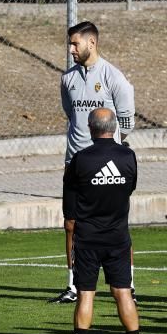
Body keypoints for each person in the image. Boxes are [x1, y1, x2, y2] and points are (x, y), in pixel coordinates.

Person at [54, 21, 136, 305]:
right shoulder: (68, 79)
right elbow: (71, 113)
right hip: (75, 162)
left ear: (92, 43)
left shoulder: (114, 77)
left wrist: (110, 151)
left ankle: (129, 283)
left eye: (75, 43)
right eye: (70, 43)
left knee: (117, 223)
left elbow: (126, 121)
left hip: (106, 163)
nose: (71, 49)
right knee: (71, 224)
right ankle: (74, 285)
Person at [57, 108, 143, 334]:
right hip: (118, 236)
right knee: (123, 292)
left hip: (88, 238)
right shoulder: (128, 156)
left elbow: (69, 205)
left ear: (90, 127)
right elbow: (131, 187)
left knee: (86, 294)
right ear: (114, 127)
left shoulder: (80, 159)